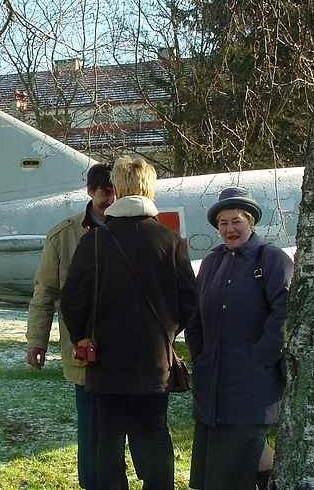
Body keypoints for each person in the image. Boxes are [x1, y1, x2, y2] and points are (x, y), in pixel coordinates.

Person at [61, 156, 198, 490]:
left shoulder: (93, 242)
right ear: (150, 189)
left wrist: (84, 336)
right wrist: (165, 332)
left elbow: (71, 301)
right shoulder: (171, 242)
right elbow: (189, 303)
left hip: (104, 362)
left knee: (106, 446)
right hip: (153, 364)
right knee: (153, 440)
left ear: (118, 189)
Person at [185, 187, 293, 490]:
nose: (229, 229)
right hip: (212, 385)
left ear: (251, 222)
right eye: (223, 223)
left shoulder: (271, 259)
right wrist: (200, 355)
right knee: (218, 466)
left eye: (236, 221)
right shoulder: (211, 263)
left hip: (251, 386)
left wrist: (261, 357)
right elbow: (195, 314)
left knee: (237, 462)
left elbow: (285, 312)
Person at [25, 162, 119, 490]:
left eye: (116, 191)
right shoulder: (64, 235)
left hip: (127, 352)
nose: (111, 198)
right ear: (90, 192)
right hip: (85, 353)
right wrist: (36, 341)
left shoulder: (135, 230)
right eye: (104, 191)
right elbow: (45, 292)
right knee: (91, 429)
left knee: (126, 431)